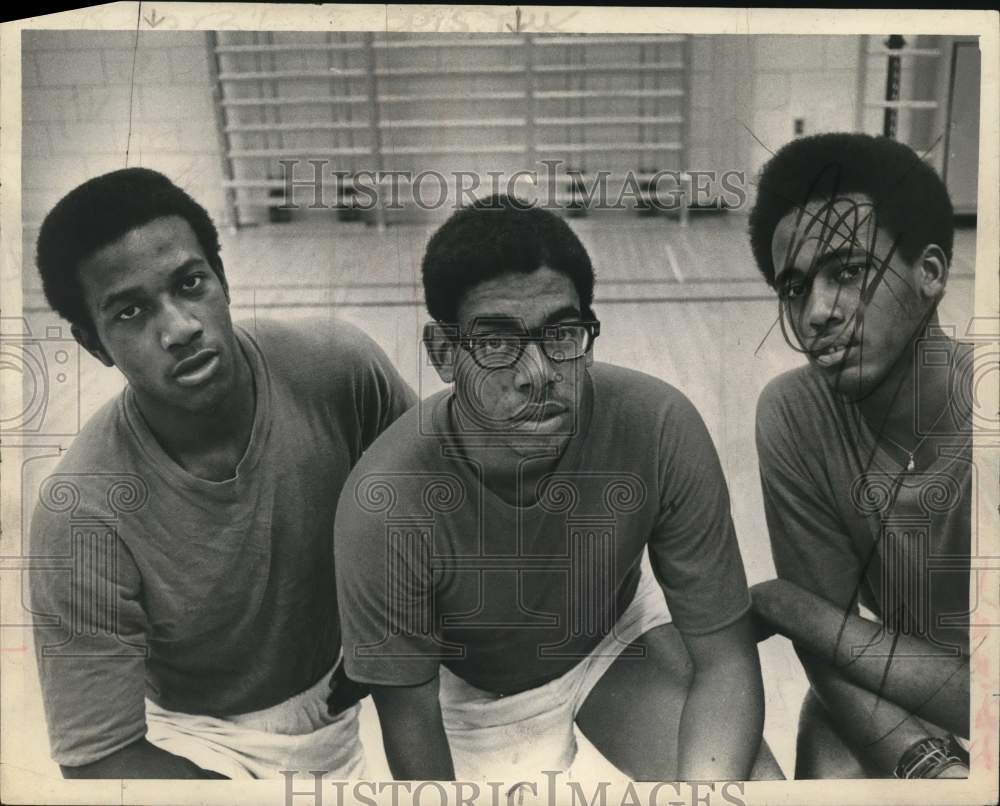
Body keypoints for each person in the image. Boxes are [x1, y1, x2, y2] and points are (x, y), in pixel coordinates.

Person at [334, 195, 780, 783]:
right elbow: (414, 741)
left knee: (755, 795)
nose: (538, 372)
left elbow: (725, 661)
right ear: (444, 353)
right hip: (470, 690)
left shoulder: (659, 424)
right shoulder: (384, 503)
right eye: (496, 342)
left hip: (611, 636)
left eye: (562, 334)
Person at [28, 168, 415, 779]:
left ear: (223, 280)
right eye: (130, 311)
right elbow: (100, 756)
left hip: (335, 707)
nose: (179, 327)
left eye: (190, 283)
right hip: (193, 741)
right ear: (93, 344)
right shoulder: (82, 511)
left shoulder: (337, 369)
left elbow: (441, 506)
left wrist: (386, 642)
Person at [748, 133, 973, 779]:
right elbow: (828, 643)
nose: (817, 312)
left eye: (848, 271)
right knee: (830, 770)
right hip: (889, 680)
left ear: (930, 272)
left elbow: (816, 620)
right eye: (794, 288)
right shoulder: (794, 413)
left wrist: (783, 603)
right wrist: (924, 766)